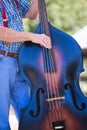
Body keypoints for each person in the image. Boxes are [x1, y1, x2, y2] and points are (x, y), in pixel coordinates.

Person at [0, 0, 51, 130]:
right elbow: (1, 33)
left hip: (19, 61)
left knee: (29, 114)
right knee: (2, 120)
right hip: (2, 62)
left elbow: (32, 14)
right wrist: (31, 36)